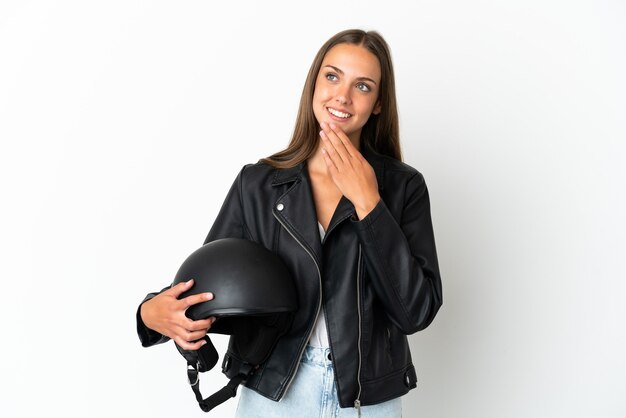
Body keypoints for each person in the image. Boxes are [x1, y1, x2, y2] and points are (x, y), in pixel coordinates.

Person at [137, 28, 442, 417]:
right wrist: (151, 314)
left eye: (362, 86)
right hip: (275, 393)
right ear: (314, 82)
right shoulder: (258, 184)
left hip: (368, 400)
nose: (342, 96)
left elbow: (415, 311)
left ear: (378, 103)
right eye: (332, 76)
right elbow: (208, 288)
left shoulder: (403, 188)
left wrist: (368, 201)